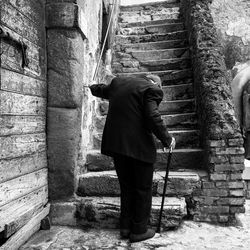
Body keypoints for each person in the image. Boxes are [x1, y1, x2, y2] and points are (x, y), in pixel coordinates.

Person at [89, 74, 176, 242]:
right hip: (139, 147)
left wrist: (92, 87)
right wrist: (167, 139)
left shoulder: (118, 83)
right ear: (156, 83)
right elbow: (152, 116)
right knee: (142, 190)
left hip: (117, 146)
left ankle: (125, 227)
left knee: (127, 188)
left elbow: (101, 90)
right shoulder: (152, 89)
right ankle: (139, 230)